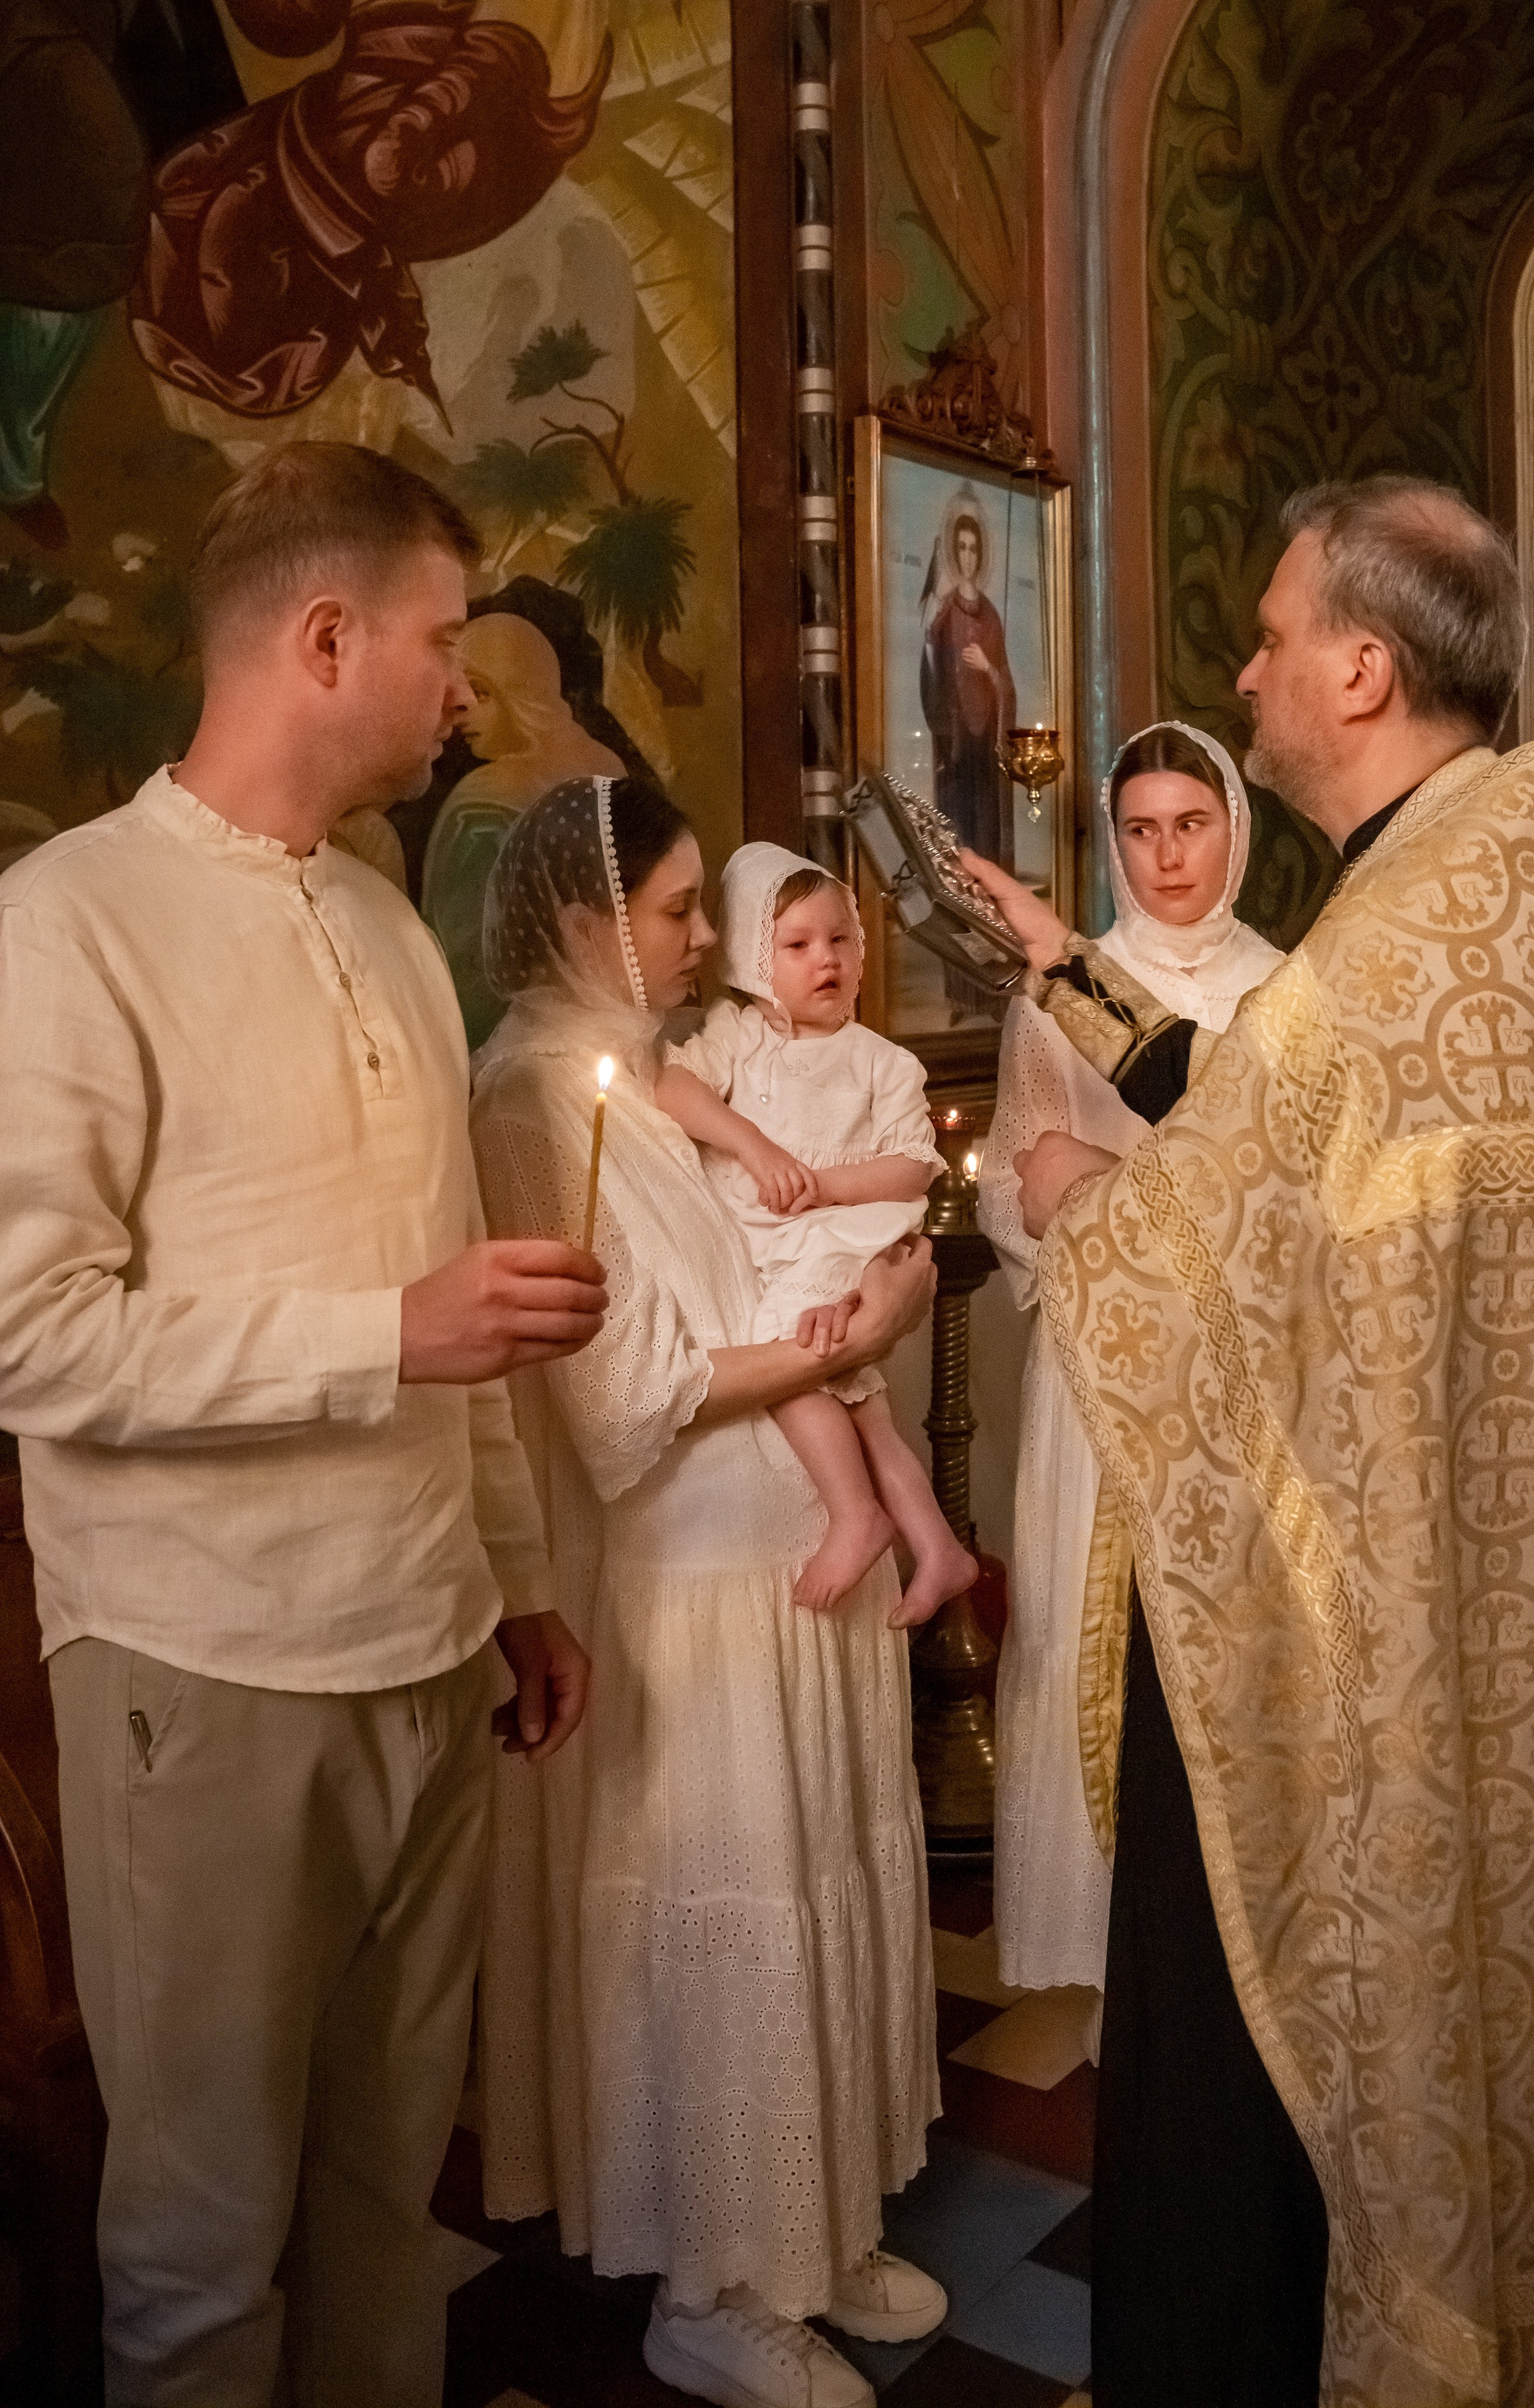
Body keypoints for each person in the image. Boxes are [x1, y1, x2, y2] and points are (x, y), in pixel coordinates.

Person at [965, 476, 1534, 2407]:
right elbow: (1272, 1108)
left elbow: (1251, 1182)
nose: (1248, 667)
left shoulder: (1393, 932)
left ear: (1360, 662)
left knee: (1243, 2025)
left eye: (1273, 632)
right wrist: (1064, 963)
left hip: (1325, 1594)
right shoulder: (1479, 890)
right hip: (1442, 1560)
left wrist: (1089, 1211)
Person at [0, 439, 608, 2408]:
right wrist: (386, 1335)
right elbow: (33, 1337)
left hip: (428, 1650)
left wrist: (508, 1577)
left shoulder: (380, 929)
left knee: (383, 2205)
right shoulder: (64, 923)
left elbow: (460, 1294)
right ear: (325, 635)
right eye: (443, 639)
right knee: (197, 2242)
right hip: (206, 1659)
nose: (462, 682)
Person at [471, 779, 948, 2408]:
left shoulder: (637, 1078)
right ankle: (717, 2278)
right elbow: (625, 1393)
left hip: (773, 1545)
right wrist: (861, 1340)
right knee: (723, 1925)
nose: (696, 943)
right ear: (585, 911)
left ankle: (817, 2224)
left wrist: (856, 1294)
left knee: (817, 1879)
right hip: (682, 1574)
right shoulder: (535, 1095)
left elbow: (745, 1259)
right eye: (676, 912)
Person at [978, 723, 1282, 2004]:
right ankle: (1109, 1964)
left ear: (1236, 829)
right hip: (1095, 1383)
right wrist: (1070, 1208)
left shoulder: (1287, 990)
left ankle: (1232, 1960)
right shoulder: (1063, 986)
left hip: (1233, 1388)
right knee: (1085, 1649)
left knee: (1221, 1666)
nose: (1167, 855)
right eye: (1143, 829)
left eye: (1192, 825)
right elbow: (1008, 1181)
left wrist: (1102, 1186)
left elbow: (1276, 1209)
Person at [655, 839, 978, 1619]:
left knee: (796, 1351)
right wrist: (750, 1144)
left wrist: (823, 1186)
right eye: (796, 946)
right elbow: (671, 1088)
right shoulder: (739, 1037)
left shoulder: (880, 1062)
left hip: (840, 1244)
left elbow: (911, 1166)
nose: (824, 959)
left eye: (840, 939)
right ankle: (936, 1545)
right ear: (752, 961)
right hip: (770, 1251)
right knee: (863, 1403)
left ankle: (855, 1514)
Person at [423, 610, 626, 1044]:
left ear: (521, 693)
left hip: (510, 1043)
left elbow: (466, 963)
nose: (462, 712)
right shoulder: (607, 769)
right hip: (602, 1031)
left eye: (481, 691)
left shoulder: (482, 801)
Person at [921, 492, 1017, 867]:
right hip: (957, 741)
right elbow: (931, 670)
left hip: (986, 740)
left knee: (986, 829)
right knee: (957, 826)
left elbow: (1007, 684)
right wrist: (929, 638)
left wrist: (987, 669)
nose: (967, 556)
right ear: (954, 553)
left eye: (973, 548)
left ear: (980, 555)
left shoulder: (991, 616)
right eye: (960, 548)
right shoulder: (943, 612)